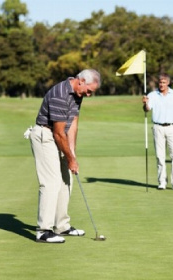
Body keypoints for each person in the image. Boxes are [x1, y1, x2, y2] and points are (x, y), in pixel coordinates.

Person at [29, 69, 101, 243]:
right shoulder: (60, 94)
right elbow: (58, 133)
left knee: (66, 179)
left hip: (59, 136)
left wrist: (72, 152)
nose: (89, 95)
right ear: (81, 80)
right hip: (45, 136)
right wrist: (70, 158)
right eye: (89, 90)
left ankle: (61, 226)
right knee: (51, 181)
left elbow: (73, 123)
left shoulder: (78, 94)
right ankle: (43, 230)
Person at [142, 73, 173, 190]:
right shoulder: (152, 95)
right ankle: (162, 182)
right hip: (158, 128)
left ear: (168, 83)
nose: (161, 85)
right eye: (160, 82)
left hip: (172, 127)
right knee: (160, 156)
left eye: (164, 83)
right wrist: (145, 103)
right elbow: (147, 109)